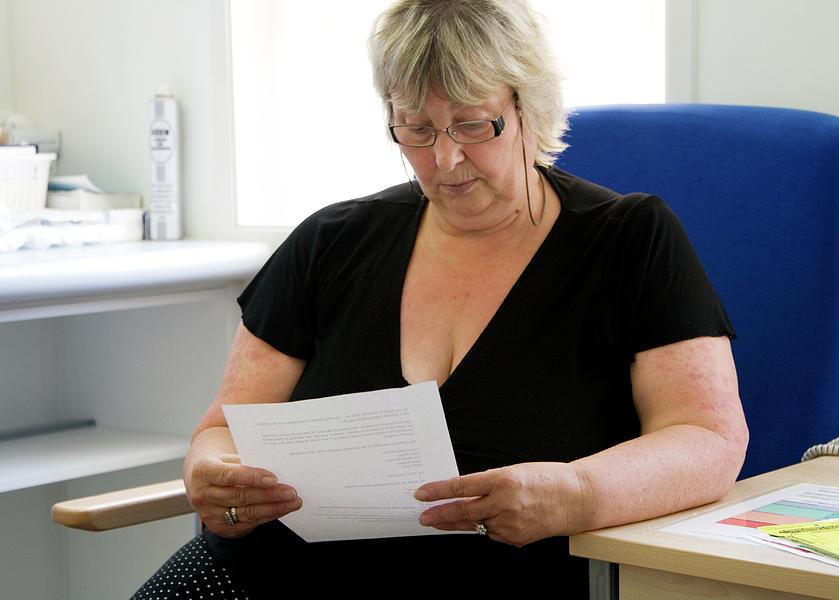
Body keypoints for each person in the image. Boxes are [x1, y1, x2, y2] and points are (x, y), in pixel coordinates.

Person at [133, 1, 748, 597]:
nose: (445, 158)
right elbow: (222, 428)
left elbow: (708, 440)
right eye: (417, 129)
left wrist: (576, 491)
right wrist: (211, 476)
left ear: (528, 107)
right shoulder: (331, 241)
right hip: (266, 574)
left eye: (473, 124)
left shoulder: (629, 240)